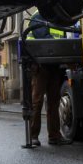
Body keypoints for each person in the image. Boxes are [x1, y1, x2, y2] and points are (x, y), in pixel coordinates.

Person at [27, 12, 73, 147]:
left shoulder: (59, 18)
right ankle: (33, 136)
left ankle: (54, 136)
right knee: (37, 101)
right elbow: (44, 38)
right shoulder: (38, 18)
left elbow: (63, 38)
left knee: (54, 102)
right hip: (40, 66)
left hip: (54, 66)